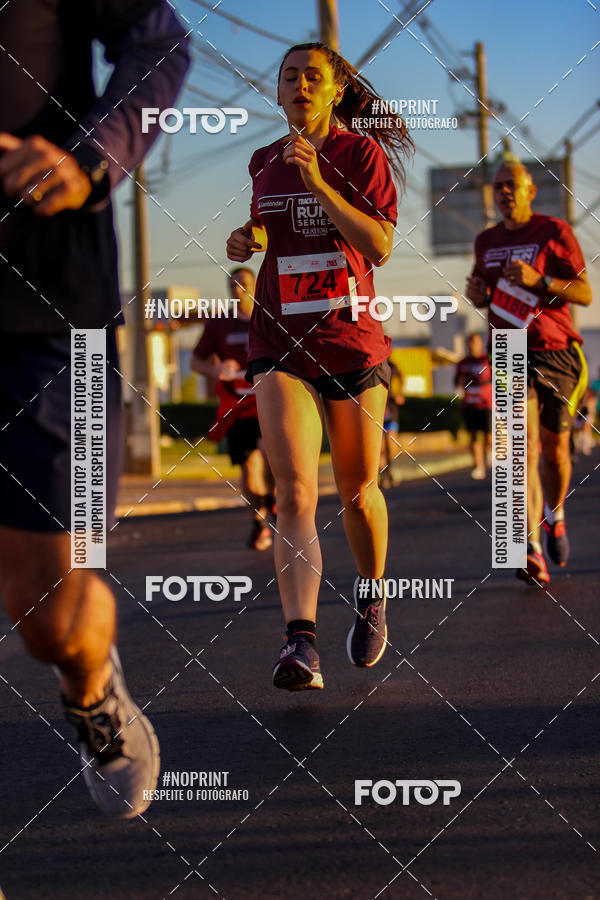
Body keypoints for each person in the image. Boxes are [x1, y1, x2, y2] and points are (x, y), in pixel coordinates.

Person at [0, 1, 189, 817]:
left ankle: (91, 688)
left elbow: (159, 41)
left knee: (53, 618)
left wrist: (89, 157)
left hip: (45, 319)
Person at [226, 41, 413, 690]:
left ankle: (371, 594)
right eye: (289, 78)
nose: (300, 85)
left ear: (335, 92)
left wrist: (318, 184)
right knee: (294, 492)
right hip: (280, 341)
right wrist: (247, 239)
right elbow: (268, 235)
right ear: (275, 94)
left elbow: (379, 245)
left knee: (358, 493)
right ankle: (299, 643)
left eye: (313, 77)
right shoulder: (261, 163)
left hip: (351, 343)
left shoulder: (359, 155)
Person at [466, 161, 592, 584]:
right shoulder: (485, 241)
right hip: (508, 350)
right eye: (498, 186)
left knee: (555, 453)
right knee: (520, 451)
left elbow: (585, 293)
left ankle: (554, 515)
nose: (504, 192)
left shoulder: (554, 231)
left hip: (556, 352)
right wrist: (477, 295)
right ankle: (529, 547)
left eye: (511, 185)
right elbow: (486, 294)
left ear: (530, 190)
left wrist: (541, 281)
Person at [191, 268, 276, 550]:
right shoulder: (219, 323)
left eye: (243, 284)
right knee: (250, 467)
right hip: (238, 406)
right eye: (232, 285)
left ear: (255, 286)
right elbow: (195, 361)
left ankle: (274, 501)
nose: (237, 290)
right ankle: (260, 521)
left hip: (271, 401)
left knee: (272, 461)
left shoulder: (271, 317)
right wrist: (217, 369)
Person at [454, 333, 493, 480]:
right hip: (469, 404)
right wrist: (459, 390)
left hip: (486, 404)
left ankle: (487, 453)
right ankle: (478, 465)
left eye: (475, 342)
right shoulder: (463, 363)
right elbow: (457, 380)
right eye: (470, 342)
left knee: (488, 436)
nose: (472, 345)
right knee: (473, 436)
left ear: (481, 343)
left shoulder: (487, 361)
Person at [379, 359, 405, 488]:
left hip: (392, 411)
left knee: (391, 444)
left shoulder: (393, 367)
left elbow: (401, 381)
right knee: (380, 448)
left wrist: (400, 394)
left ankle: (390, 472)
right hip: (377, 410)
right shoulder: (370, 365)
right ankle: (383, 475)